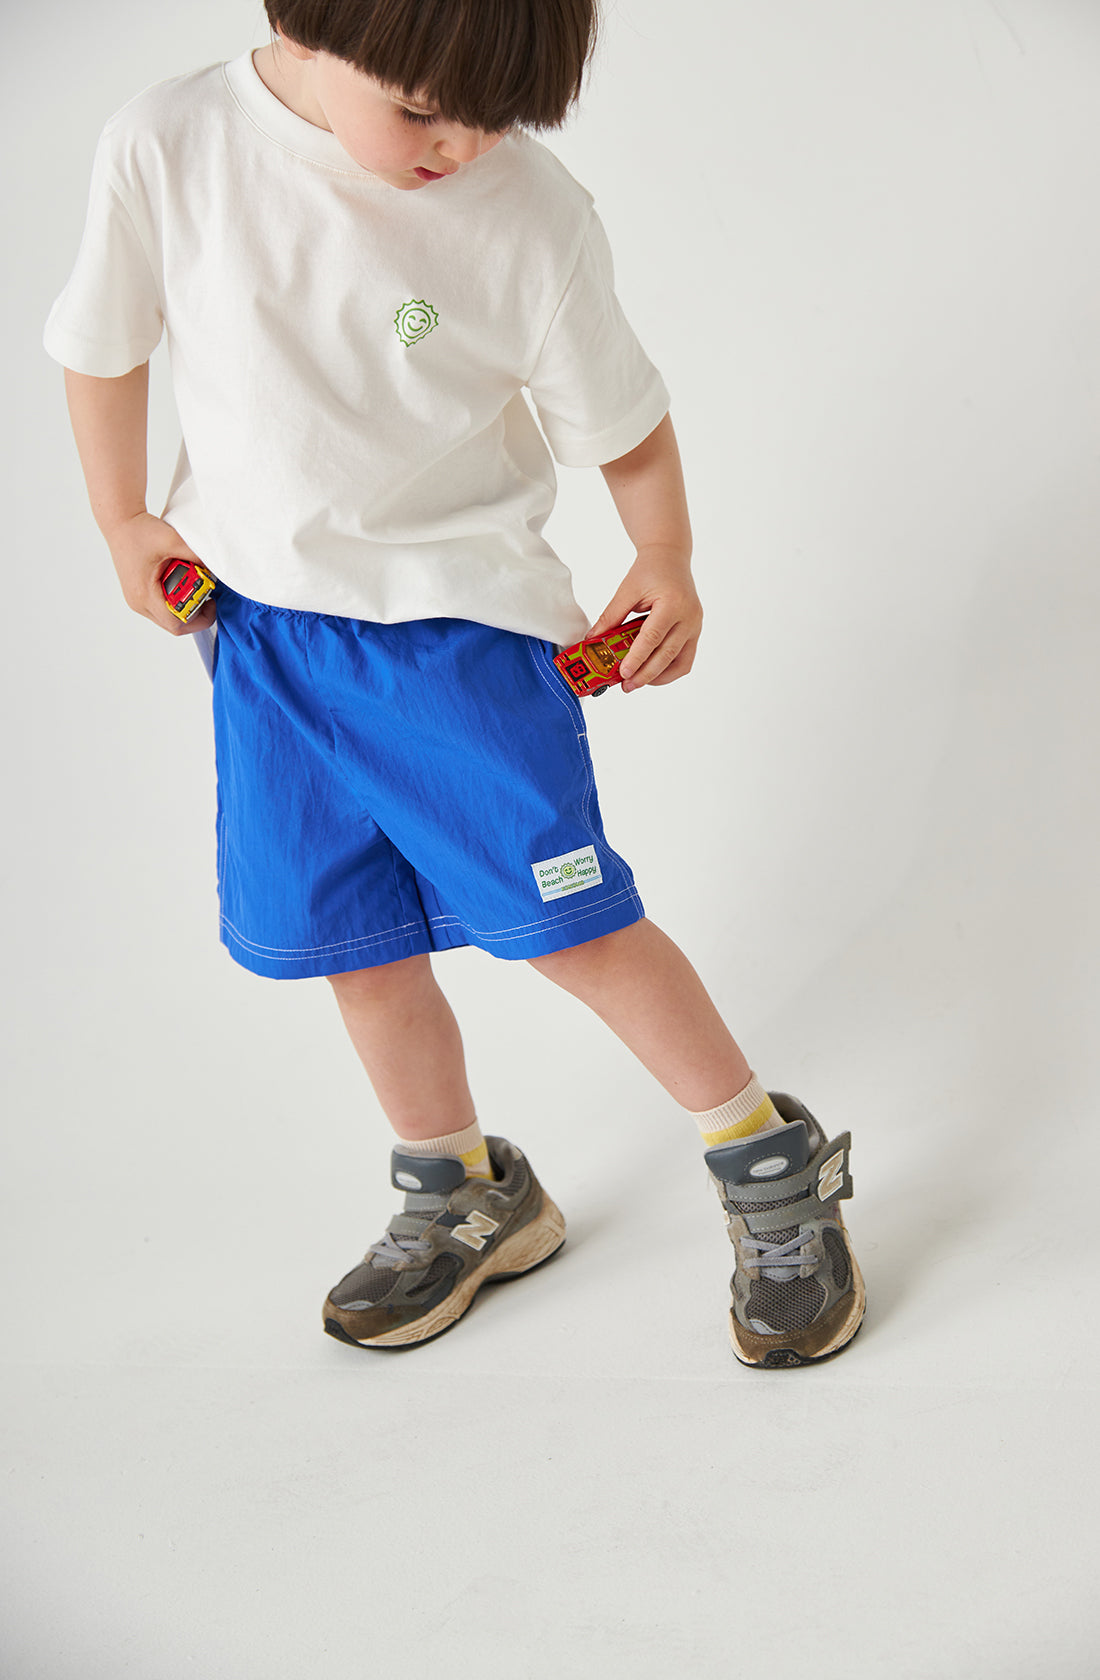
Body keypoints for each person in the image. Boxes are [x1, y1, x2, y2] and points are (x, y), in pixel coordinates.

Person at [46, 0, 865, 1368]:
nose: (462, 143)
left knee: (571, 927)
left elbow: (624, 417)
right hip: (260, 632)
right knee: (351, 942)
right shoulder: (171, 141)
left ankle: (770, 1163)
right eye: (425, 107)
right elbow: (102, 346)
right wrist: (123, 519)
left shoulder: (529, 211)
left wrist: (663, 551)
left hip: (459, 636)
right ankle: (462, 1187)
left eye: (500, 113)